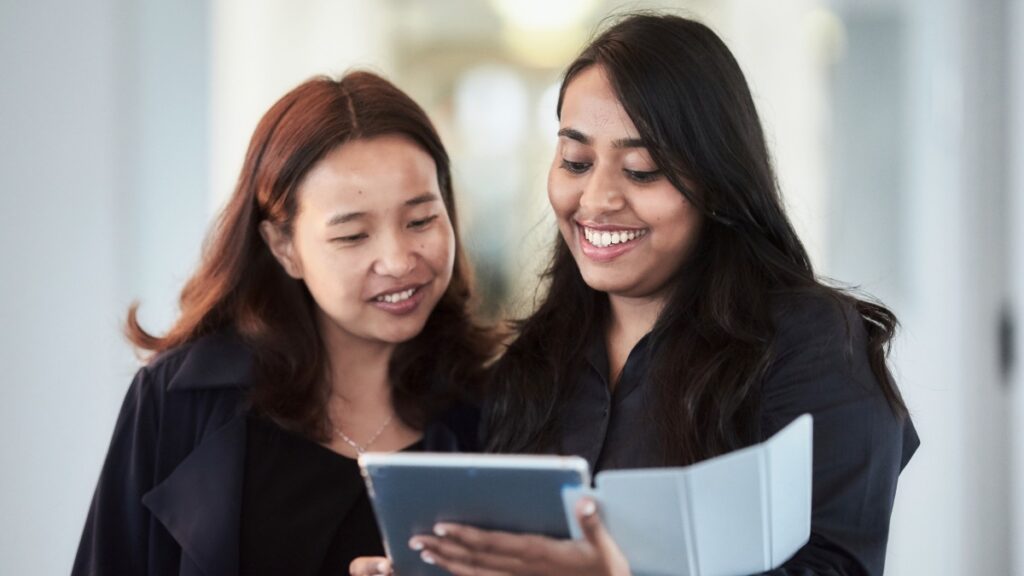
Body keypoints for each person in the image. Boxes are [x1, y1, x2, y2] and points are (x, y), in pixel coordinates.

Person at [404, 13, 919, 576]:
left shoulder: (810, 345)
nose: (596, 199)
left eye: (642, 170)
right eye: (576, 162)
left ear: (716, 182)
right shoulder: (529, 368)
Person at [72, 71, 494, 576]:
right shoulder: (180, 400)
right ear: (284, 246)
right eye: (353, 236)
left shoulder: (496, 406)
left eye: (421, 221)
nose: (399, 260)